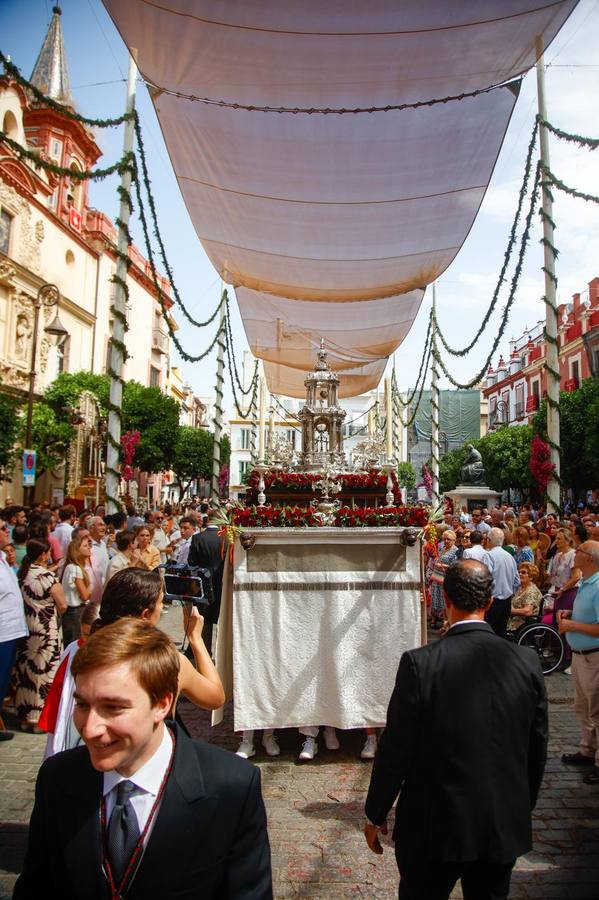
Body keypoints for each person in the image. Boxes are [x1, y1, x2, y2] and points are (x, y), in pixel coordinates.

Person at [14, 618, 273, 899]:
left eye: (113, 708)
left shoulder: (230, 786)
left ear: (161, 704)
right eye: (82, 704)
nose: (89, 729)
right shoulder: (58, 778)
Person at [364, 559, 548, 900]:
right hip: (500, 822)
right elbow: (537, 748)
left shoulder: (421, 663)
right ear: (490, 603)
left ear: (445, 599)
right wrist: (520, 805)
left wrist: (376, 811)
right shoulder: (527, 662)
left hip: (434, 826)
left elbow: (396, 749)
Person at [41, 568, 224, 758]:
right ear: (146, 614)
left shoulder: (81, 649)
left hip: (84, 754)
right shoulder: (167, 660)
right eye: (161, 603)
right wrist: (196, 639)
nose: (162, 608)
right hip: (145, 762)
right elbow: (215, 698)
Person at [558, 541, 599, 785]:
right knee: (582, 707)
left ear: (590, 559)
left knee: (597, 709)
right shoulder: (586, 582)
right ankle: (587, 749)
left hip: (594, 655)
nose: (576, 553)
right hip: (581, 654)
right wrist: (572, 616)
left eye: (580, 550)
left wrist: (572, 625)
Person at [15, 539, 67, 732]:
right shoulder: (46, 576)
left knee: (27, 672)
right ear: (43, 554)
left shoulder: (21, 574)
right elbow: (62, 604)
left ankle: (25, 716)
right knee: (45, 673)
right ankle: (40, 718)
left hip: (27, 628)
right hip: (46, 630)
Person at [0, 522, 28, 741]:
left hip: (11, 631)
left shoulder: (3, 558)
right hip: (2, 632)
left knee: (4, 680)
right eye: (1, 528)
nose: (6, 531)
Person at [187, 510, 226, 653]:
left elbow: (191, 562)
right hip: (222, 584)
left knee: (205, 620)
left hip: (202, 583)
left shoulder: (197, 538)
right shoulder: (226, 539)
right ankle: (221, 653)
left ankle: (205, 651)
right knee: (221, 618)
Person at [485, 527, 520, 638]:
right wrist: (510, 592)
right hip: (506, 600)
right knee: (501, 631)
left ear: (489, 541)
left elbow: (485, 578)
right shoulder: (509, 557)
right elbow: (517, 581)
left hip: (493, 600)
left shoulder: (489, 556)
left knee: (489, 632)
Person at [61, 532, 93, 645]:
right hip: (75, 612)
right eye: (85, 546)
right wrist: (91, 592)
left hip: (72, 613)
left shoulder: (72, 567)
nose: (89, 547)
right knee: (75, 644)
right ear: (77, 551)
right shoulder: (75, 569)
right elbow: (84, 595)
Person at [428, 529, 458, 630]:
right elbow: (436, 558)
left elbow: (454, 566)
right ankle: (434, 619)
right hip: (436, 578)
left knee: (445, 602)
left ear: (454, 540)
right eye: (444, 539)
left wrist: (443, 566)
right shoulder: (442, 548)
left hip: (446, 579)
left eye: (448, 539)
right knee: (435, 600)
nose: (446, 541)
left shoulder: (455, 550)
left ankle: (447, 623)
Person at [508, 562, 543, 633]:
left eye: (523, 572)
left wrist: (510, 610)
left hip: (523, 623)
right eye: (519, 572)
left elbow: (528, 611)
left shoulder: (531, 591)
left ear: (531, 577)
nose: (520, 574)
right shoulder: (521, 588)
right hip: (514, 620)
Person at [88, 516, 109, 603]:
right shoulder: (87, 546)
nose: (103, 528)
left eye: (104, 525)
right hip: (92, 589)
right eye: (100, 525)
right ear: (91, 528)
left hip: (104, 586)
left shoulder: (103, 544)